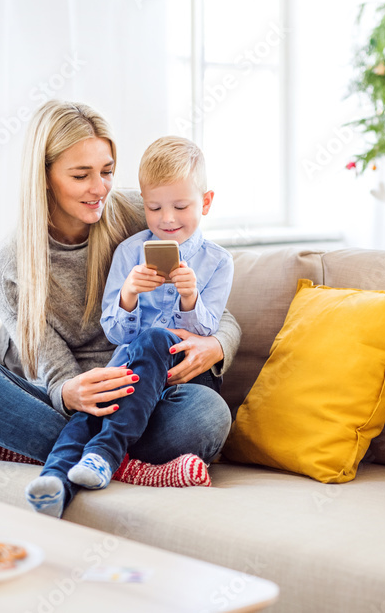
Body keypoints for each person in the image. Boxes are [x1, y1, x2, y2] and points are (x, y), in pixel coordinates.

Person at [0, 101, 239, 513]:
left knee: (206, 414)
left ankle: (50, 452)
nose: (99, 188)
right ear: (45, 178)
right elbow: (50, 365)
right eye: (81, 175)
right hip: (55, 396)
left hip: (133, 392)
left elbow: (209, 299)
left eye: (106, 171)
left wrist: (218, 346)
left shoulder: (142, 214)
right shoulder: (9, 264)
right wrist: (69, 392)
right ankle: (117, 459)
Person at [26, 136, 233, 515]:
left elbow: (209, 329)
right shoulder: (129, 252)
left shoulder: (218, 262)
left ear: (205, 202)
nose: (167, 219)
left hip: (184, 381)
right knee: (97, 403)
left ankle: (104, 453)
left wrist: (190, 299)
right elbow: (116, 333)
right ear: (143, 202)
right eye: (154, 207)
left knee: (171, 365)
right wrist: (129, 295)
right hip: (131, 374)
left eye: (181, 206)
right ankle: (56, 481)